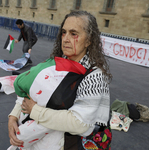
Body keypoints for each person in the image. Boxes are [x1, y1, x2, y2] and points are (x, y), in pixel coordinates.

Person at [8, 11, 112, 150]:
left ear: (89, 40)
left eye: (73, 34)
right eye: (64, 32)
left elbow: (80, 123)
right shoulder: (57, 62)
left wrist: (35, 110)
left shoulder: (94, 75)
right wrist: (14, 116)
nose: (66, 39)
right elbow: (31, 89)